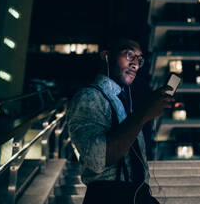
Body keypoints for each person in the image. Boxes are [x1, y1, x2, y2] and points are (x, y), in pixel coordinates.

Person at [67, 39, 174, 204]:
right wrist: (144, 113)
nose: (136, 65)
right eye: (129, 55)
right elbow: (98, 158)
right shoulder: (89, 96)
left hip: (137, 194)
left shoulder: (124, 104)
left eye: (139, 60)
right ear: (107, 56)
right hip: (109, 195)